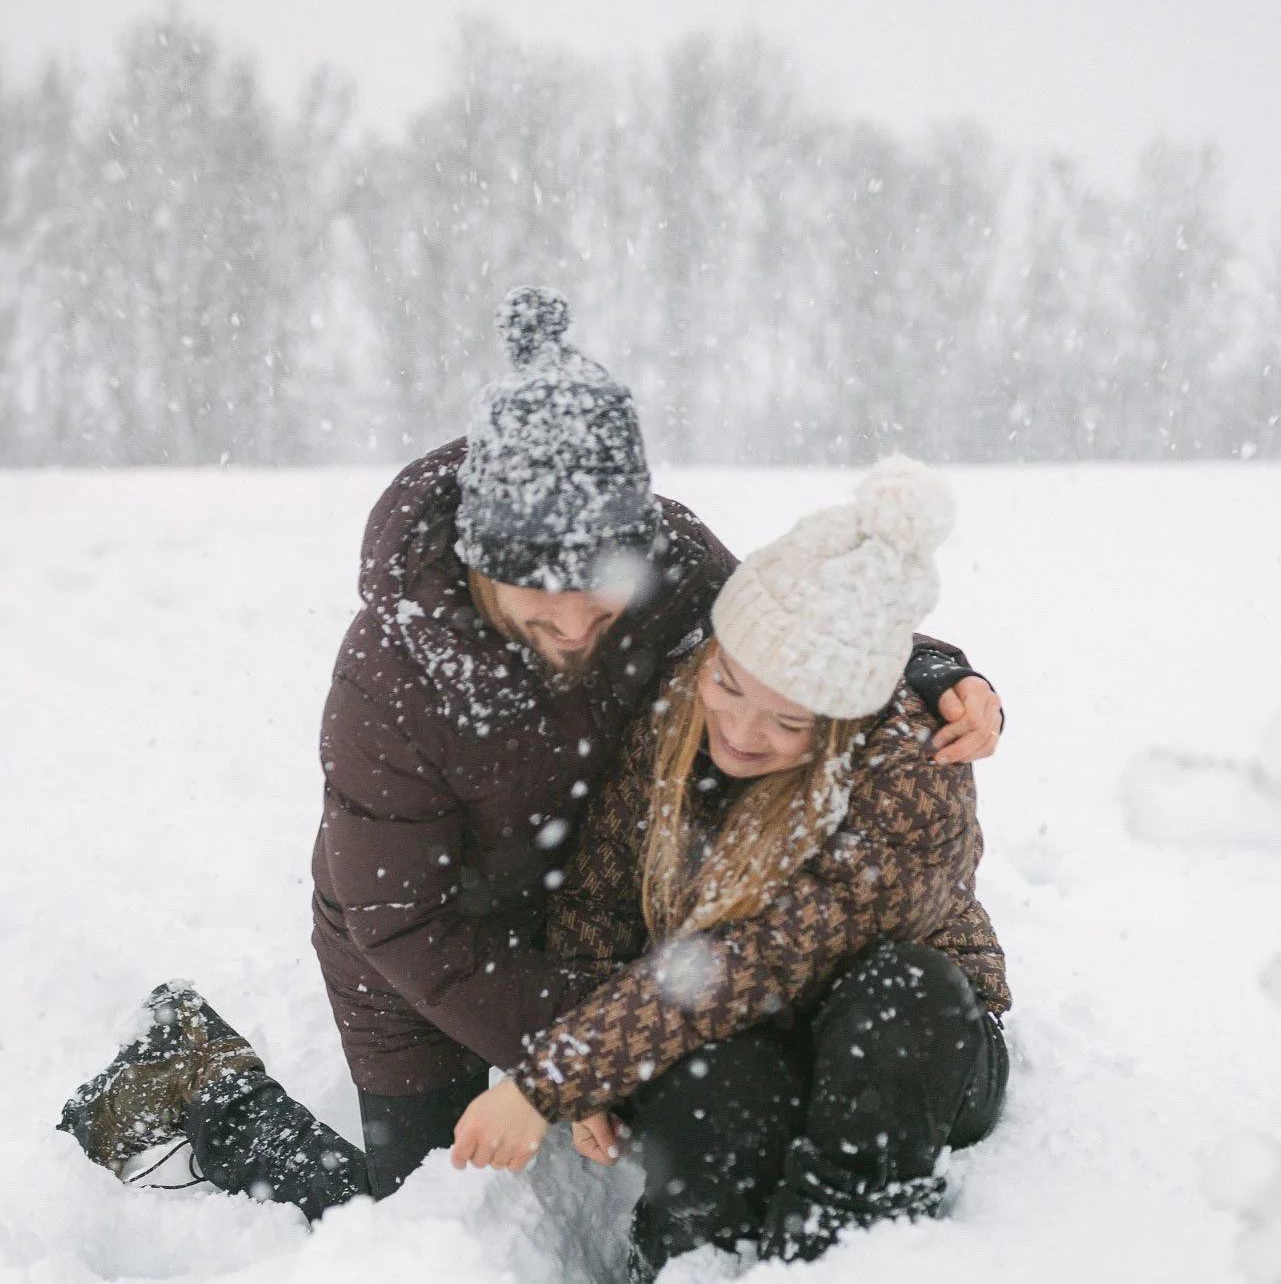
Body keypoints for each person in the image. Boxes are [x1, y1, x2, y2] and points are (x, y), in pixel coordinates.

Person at [58, 290, 1004, 1220]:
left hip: (601, 917)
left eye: (599, 590)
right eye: (537, 591)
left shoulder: (670, 561)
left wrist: (929, 667)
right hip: (437, 949)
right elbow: (400, 922)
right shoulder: (394, 668)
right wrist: (567, 1059)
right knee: (424, 1209)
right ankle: (203, 1092)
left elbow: (795, 630)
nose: (574, 619)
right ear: (478, 552)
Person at [449, 456, 1009, 1284]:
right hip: (732, 1029)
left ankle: (838, 1277)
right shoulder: (678, 706)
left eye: (789, 721)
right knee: (715, 1081)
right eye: (728, 684)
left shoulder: (912, 773)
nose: (741, 732)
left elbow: (756, 958)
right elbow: (598, 902)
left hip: (910, 1058)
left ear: (844, 719)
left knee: (905, 990)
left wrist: (558, 1076)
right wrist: (585, 1052)